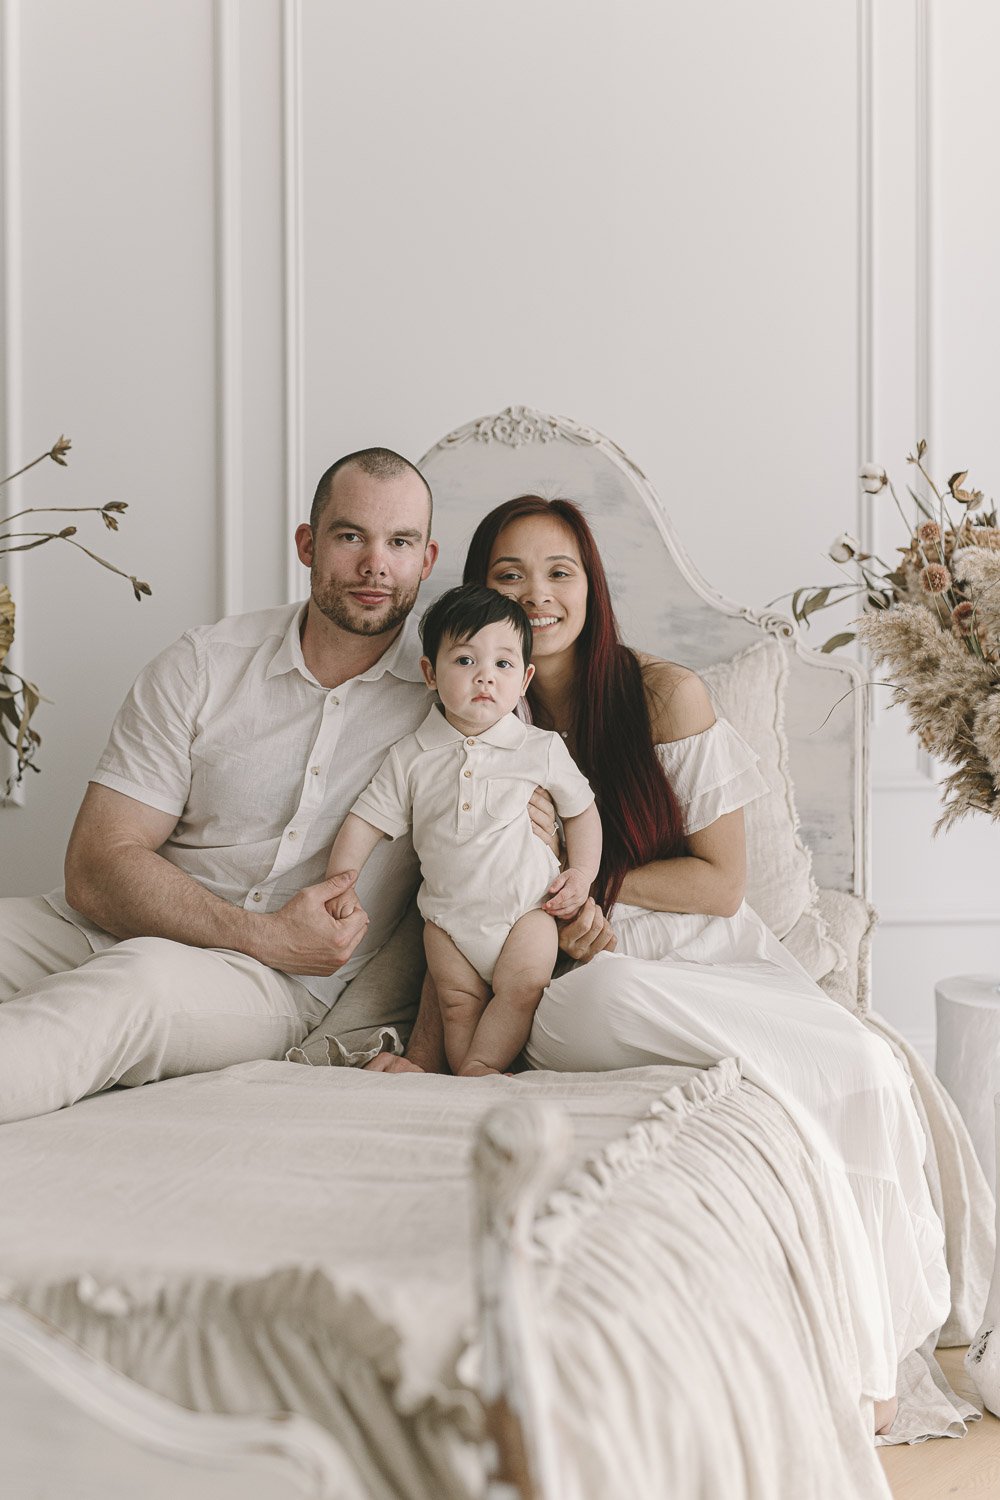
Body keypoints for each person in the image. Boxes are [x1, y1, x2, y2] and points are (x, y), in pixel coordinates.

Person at [389, 493, 952, 1435]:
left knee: (856, 1068)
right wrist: (426, 1046)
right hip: (576, 978)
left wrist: (594, 882)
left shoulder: (661, 694)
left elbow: (722, 884)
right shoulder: (462, 717)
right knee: (599, 994)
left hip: (700, 952)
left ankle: (874, 1351)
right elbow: (440, 903)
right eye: (508, 576)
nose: (536, 595)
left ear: (591, 584)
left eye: (558, 571)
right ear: (475, 598)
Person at [0, 449, 550, 1123]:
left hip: (269, 986)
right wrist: (261, 933)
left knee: (134, 986)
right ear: (307, 544)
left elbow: (481, 884)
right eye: (350, 536)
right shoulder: (204, 665)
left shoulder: (462, 702)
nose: (376, 564)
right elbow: (96, 865)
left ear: (427, 559)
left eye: (400, 542)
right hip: (103, 924)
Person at [324, 583, 601, 1076]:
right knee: (455, 1003)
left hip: (527, 909)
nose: (485, 679)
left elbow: (582, 812)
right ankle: (459, 1071)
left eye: (503, 664)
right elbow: (365, 822)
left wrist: (581, 875)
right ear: (430, 673)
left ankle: (480, 1066)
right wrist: (340, 884)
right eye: (466, 661)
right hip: (448, 922)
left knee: (522, 990)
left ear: (524, 678)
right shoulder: (411, 756)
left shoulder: (538, 748)